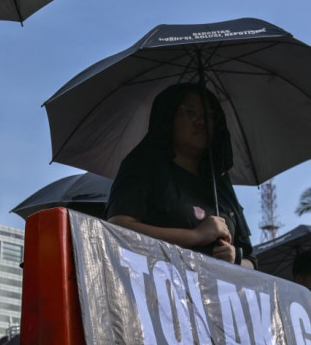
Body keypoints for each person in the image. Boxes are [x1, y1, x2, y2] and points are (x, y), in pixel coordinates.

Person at [105, 83, 255, 268]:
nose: (201, 122)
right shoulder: (143, 166)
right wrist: (195, 236)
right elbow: (118, 227)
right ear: (169, 116)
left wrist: (235, 260)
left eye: (209, 116)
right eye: (190, 113)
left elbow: (252, 261)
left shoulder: (219, 183)